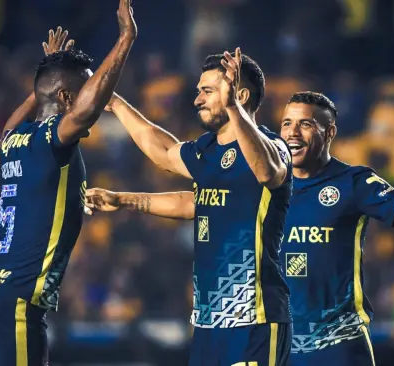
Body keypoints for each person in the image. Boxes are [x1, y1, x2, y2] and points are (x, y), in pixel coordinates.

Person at [87, 91, 394, 366]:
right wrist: (125, 199)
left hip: (337, 346)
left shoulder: (351, 183)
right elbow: (193, 202)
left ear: (329, 132)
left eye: (306, 124)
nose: (293, 132)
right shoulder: (260, 177)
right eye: (286, 123)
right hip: (277, 344)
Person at [88, 49, 293, 365]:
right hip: (208, 319)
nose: (197, 99)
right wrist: (113, 103)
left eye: (207, 91)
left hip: (255, 316)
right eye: (199, 91)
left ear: (239, 94)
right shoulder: (207, 151)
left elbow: (266, 172)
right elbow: (169, 161)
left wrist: (232, 108)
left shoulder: (273, 147)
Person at [0, 1, 137, 365]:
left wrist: (50, 73)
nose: (96, 99)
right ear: (65, 98)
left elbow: (18, 117)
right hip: (17, 306)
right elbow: (85, 109)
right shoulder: (50, 141)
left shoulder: (13, 138)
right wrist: (125, 39)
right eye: (86, 88)